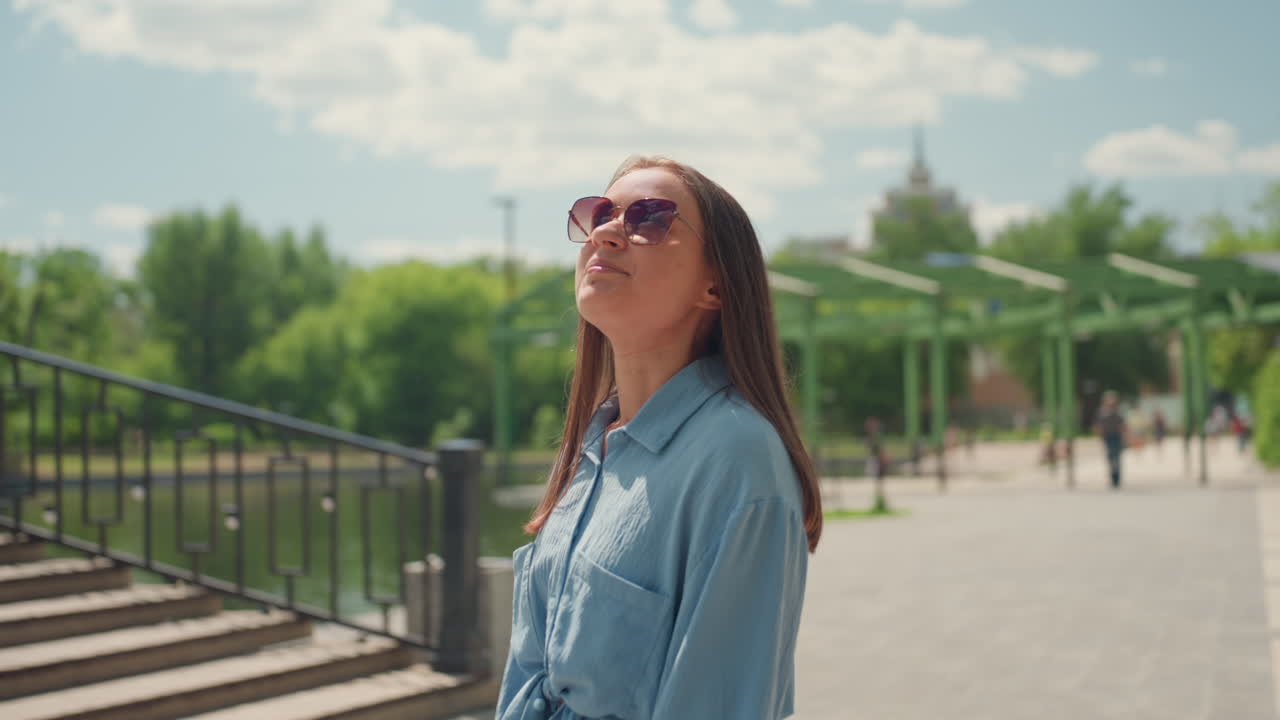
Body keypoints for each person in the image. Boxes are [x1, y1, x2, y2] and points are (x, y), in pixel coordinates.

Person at [497, 156, 822, 720]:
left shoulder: (737, 458)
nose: (605, 231)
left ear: (716, 286)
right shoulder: (590, 451)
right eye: (598, 213)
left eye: (650, 218)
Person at [1094, 391, 1127, 489]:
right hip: (1107, 437)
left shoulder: (1118, 411)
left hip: (1117, 437)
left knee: (1116, 457)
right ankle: (1112, 477)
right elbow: (1098, 425)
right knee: (1110, 457)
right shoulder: (1102, 412)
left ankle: (1117, 478)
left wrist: (1124, 435)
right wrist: (1099, 434)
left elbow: (1122, 425)